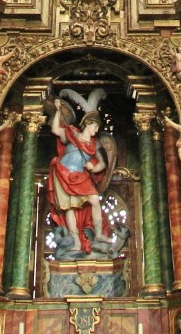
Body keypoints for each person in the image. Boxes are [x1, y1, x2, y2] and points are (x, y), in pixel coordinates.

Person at [47, 99, 113, 253]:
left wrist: (94, 167)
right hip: (63, 172)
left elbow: (103, 164)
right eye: (95, 126)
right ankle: (75, 240)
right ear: (88, 124)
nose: (96, 130)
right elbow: (56, 130)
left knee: (95, 199)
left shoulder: (95, 144)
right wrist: (58, 110)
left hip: (80, 176)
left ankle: (98, 234)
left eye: (97, 128)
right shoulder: (73, 133)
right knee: (69, 207)